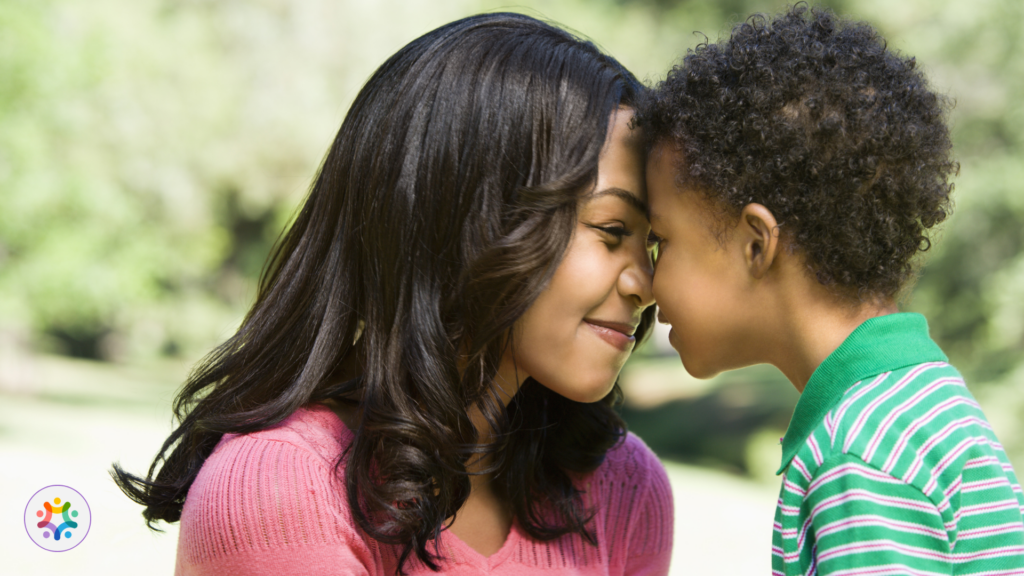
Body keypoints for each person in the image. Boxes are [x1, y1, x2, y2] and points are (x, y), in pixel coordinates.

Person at [113, 12, 673, 576]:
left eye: (652, 244)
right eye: (611, 231)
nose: (644, 285)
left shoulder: (623, 486)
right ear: (465, 219)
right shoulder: (281, 491)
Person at [638, 4, 1024, 575]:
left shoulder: (859, 452)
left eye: (660, 241)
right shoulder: (917, 401)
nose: (645, 280)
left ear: (755, 245)